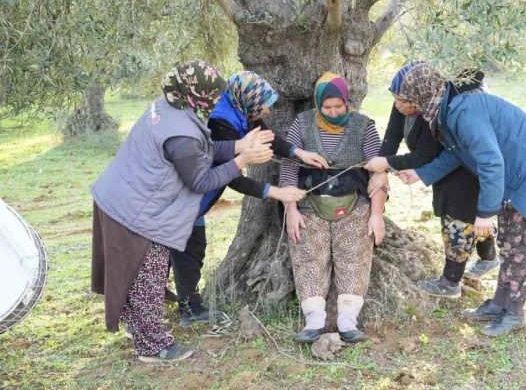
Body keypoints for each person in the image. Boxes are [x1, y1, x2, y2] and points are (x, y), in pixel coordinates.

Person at [91, 61, 272, 362]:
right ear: (197, 94)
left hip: (119, 196)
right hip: (136, 210)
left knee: (133, 273)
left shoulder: (170, 105)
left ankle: (137, 326)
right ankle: (152, 346)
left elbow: (201, 149)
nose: (216, 101)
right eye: (213, 96)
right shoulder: (181, 134)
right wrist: (242, 160)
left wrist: (238, 145)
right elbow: (201, 180)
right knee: (149, 275)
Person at [395, 63, 526, 336]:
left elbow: (491, 163)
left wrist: (485, 213)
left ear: (423, 94)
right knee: (510, 243)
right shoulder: (449, 108)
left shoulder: (464, 110)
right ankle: (499, 302)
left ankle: (514, 312)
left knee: (521, 247)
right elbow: (458, 152)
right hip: (517, 174)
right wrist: (422, 173)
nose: (402, 106)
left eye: (405, 100)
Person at [169, 71, 327, 327]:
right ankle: (187, 308)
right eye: (264, 106)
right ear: (250, 99)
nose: (267, 112)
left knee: (183, 249)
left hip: (195, 199)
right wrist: (275, 192)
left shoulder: (241, 110)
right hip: (187, 198)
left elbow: (266, 136)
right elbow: (232, 177)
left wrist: (299, 153)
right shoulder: (220, 123)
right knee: (185, 249)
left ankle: (181, 303)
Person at [364, 62, 498, 299]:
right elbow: (392, 135)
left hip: (461, 168)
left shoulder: (430, 112)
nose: (398, 105)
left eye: (403, 101)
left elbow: (425, 155)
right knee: (468, 215)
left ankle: (450, 282)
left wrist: (387, 164)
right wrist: (382, 165)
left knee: (457, 219)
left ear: (418, 97)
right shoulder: (405, 104)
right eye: (395, 99)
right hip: (445, 166)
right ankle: (489, 258)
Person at [280, 72, 386, 344]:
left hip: (355, 203)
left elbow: (378, 174)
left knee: (354, 255)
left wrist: (376, 215)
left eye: (339, 106)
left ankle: (347, 320)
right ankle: (314, 319)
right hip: (309, 204)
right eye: (327, 107)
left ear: (348, 101)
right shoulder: (301, 124)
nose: (334, 111)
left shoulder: (364, 126)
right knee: (308, 255)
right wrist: (290, 210)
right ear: (317, 105)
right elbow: (289, 168)